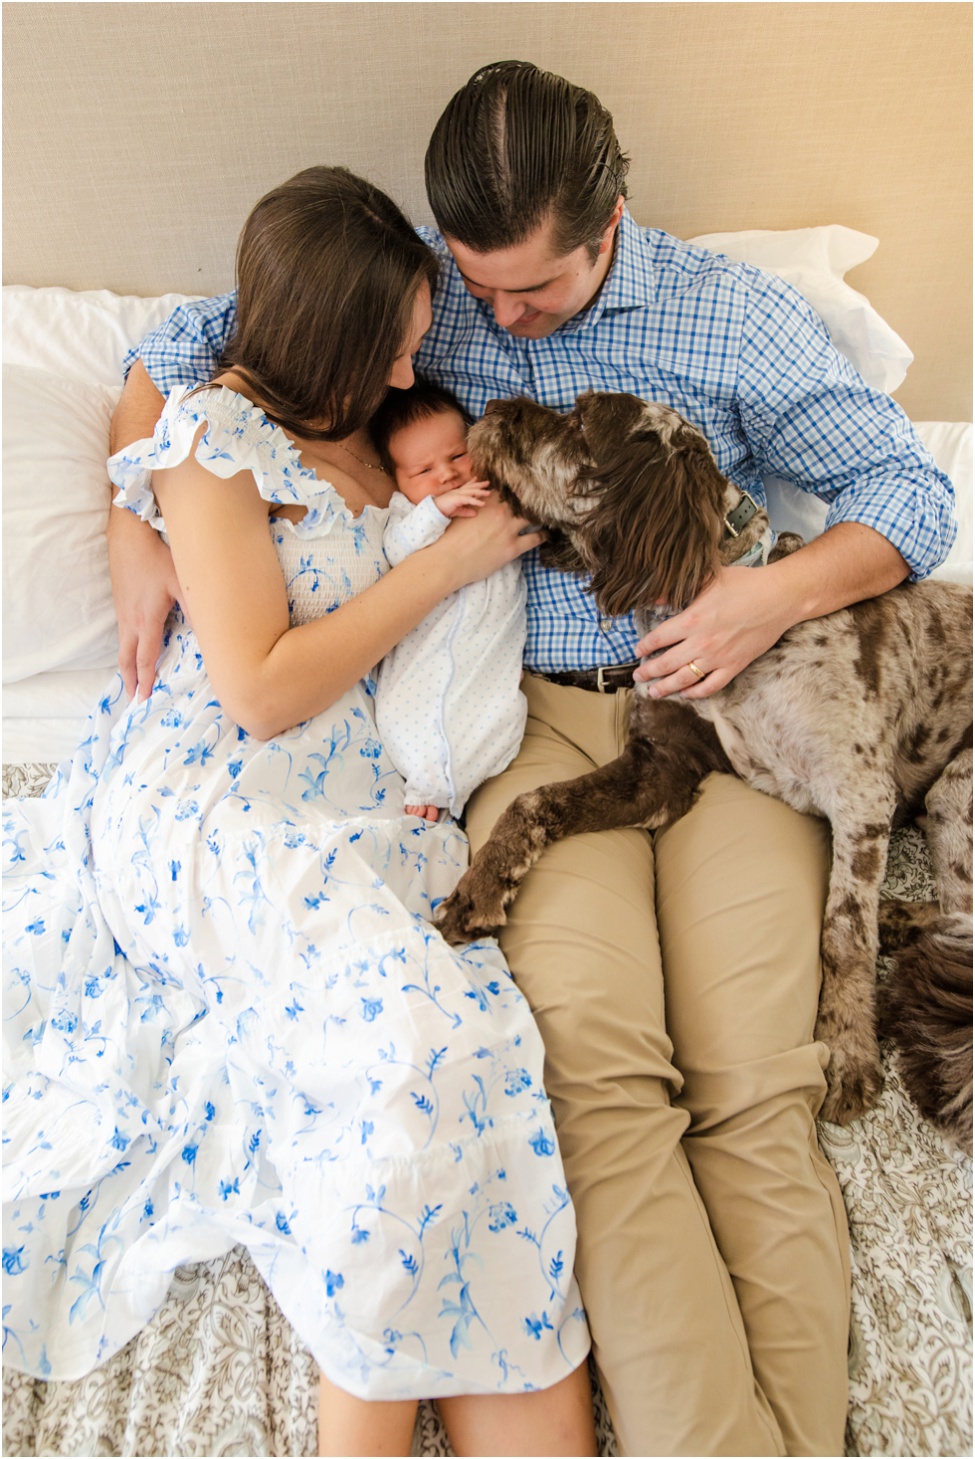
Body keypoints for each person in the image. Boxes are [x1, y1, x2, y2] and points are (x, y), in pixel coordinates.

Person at [106, 62, 958, 1459]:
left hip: (741, 720)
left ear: (608, 222)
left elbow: (905, 492)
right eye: (471, 287)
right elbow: (182, 351)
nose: (491, 323)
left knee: (751, 1085)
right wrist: (132, 531)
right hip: (538, 727)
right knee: (600, 1091)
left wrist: (769, 593)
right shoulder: (417, 308)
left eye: (532, 293)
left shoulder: (728, 316)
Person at [2, 165, 598, 1459]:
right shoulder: (220, 440)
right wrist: (446, 561)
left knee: (469, 1057)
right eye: (393, 340)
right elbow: (262, 686)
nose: (410, 363)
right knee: (419, 1042)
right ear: (327, 338)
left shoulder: (393, 430)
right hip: (213, 796)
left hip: (364, 811)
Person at [370, 379, 528, 822]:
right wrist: (436, 511)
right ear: (398, 480)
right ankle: (430, 786)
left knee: (499, 715)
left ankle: (452, 788)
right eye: (423, 471)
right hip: (428, 651)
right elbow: (397, 550)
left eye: (458, 455)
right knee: (415, 712)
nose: (447, 475)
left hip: (490, 650)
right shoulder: (408, 514)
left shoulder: (494, 493)